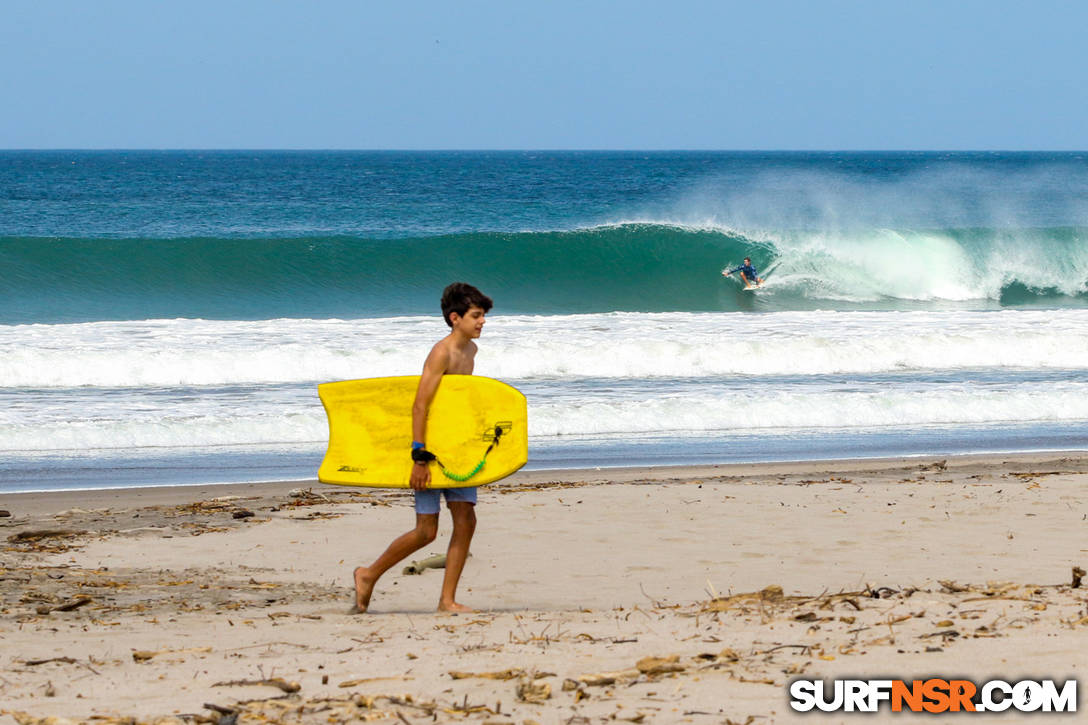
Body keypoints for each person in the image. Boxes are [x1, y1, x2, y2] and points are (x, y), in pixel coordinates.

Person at [352, 282, 493, 614]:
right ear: (455, 317)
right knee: (426, 530)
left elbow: (456, 405)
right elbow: (420, 406)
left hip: (456, 449)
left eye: (483, 316)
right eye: (476, 315)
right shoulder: (441, 352)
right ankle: (368, 574)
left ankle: (447, 601)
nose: (482, 322)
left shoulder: (471, 352)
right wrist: (419, 456)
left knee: (466, 520)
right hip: (428, 451)